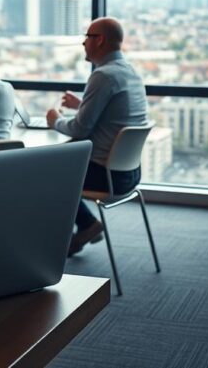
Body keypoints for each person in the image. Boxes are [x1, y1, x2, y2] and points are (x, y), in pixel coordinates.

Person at [46, 17, 148, 257]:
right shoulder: (130, 72)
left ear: (99, 40)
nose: (83, 43)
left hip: (105, 177)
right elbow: (115, 116)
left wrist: (54, 120)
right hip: (129, 173)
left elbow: (80, 130)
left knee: (41, 172)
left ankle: (60, 239)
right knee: (55, 170)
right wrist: (82, 104)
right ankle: (85, 225)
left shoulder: (103, 76)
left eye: (87, 37)